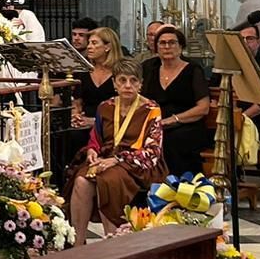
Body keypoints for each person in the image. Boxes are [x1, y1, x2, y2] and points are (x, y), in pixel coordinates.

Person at [67, 57, 167, 238]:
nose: (128, 85)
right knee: (81, 180)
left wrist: (118, 159)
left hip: (136, 163)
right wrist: (92, 152)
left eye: (133, 80)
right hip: (106, 159)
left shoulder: (151, 109)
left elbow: (153, 152)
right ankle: (78, 243)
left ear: (140, 84)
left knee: (106, 180)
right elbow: (95, 139)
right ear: (114, 83)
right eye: (122, 80)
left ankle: (112, 243)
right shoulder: (105, 106)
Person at [140, 26, 210, 177]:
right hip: (155, 123)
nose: (167, 47)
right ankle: (147, 186)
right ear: (156, 47)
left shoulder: (193, 70)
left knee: (171, 139)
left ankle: (178, 184)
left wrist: (173, 119)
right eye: (162, 43)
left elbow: (203, 108)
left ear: (181, 46)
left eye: (172, 42)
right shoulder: (149, 68)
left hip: (187, 124)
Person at [71, 27, 123, 128]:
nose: (89, 47)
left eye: (94, 43)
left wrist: (95, 121)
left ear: (107, 47)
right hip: (85, 124)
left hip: (113, 124)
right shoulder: (84, 71)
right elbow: (77, 102)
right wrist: (76, 115)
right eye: (89, 43)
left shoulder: (121, 72)